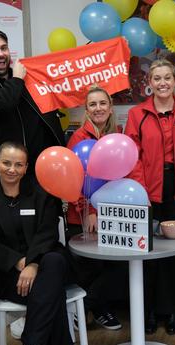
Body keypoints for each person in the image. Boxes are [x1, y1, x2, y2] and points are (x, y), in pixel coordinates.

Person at [0, 141, 78, 345]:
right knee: (52, 294)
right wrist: (17, 261)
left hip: (46, 263)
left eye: (18, 165)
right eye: (6, 163)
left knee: (53, 260)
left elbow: (48, 232)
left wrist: (33, 264)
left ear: (26, 167)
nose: (12, 169)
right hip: (11, 276)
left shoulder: (43, 196)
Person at [125, 58, 175, 335]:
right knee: (148, 252)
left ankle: (171, 310)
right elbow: (133, 156)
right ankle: (149, 311)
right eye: (157, 78)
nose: (163, 83)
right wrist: (141, 190)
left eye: (168, 77)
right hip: (148, 191)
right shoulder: (137, 114)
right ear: (149, 83)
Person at [0, 28, 64, 175]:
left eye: (4, 48)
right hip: (11, 173)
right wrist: (17, 79)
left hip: (44, 170)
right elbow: (4, 103)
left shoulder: (29, 79)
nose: (0, 54)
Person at [65, 85, 123, 331]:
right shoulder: (78, 138)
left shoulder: (118, 135)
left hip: (110, 213)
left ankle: (89, 308)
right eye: (93, 104)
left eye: (102, 104)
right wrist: (89, 211)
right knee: (89, 268)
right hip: (82, 215)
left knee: (113, 266)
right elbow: (72, 178)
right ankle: (86, 310)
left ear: (110, 109)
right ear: (86, 110)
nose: (98, 108)